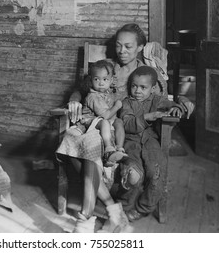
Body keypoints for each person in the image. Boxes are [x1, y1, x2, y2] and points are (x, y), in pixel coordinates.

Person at [57, 23, 195, 232]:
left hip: (121, 131)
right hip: (98, 124)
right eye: (119, 46)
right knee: (74, 143)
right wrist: (74, 100)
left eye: (129, 46)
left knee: (90, 149)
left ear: (140, 47)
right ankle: (111, 210)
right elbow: (80, 89)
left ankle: (90, 216)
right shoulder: (107, 68)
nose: (122, 51)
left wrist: (181, 99)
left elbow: (162, 98)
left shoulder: (145, 72)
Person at [118, 65, 184, 221]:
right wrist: (147, 117)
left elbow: (169, 104)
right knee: (132, 173)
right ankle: (124, 205)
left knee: (156, 173)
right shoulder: (127, 103)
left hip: (150, 141)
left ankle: (143, 207)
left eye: (143, 87)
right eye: (134, 86)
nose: (138, 91)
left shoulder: (156, 100)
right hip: (130, 141)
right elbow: (126, 124)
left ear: (153, 88)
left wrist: (176, 108)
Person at [80, 59, 126, 166]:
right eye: (97, 79)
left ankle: (119, 149)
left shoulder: (109, 92)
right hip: (90, 121)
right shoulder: (93, 96)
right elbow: (105, 115)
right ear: (91, 80)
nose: (101, 83)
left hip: (106, 120)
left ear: (111, 81)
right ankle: (109, 148)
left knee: (119, 122)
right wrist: (117, 106)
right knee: (104, 122)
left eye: (105, 79)